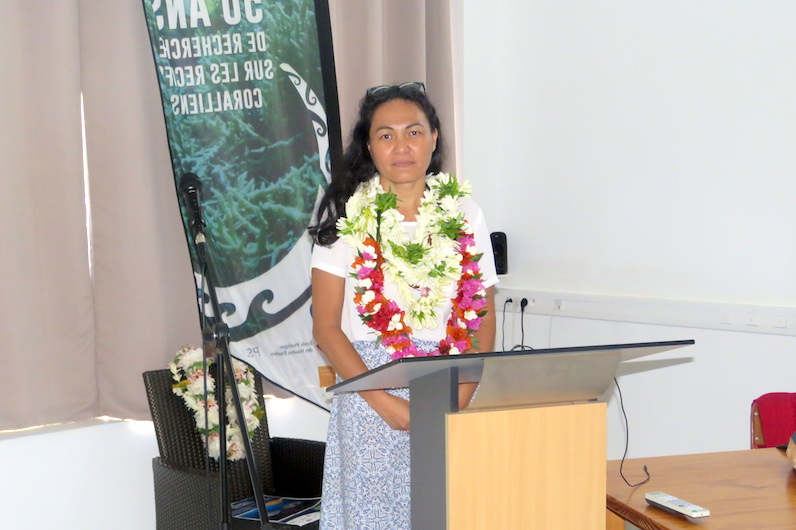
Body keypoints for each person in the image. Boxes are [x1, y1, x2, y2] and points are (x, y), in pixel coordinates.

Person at [309, 82, 498, 529]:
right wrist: (386, 403)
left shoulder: (465, 212)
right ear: (369, 147)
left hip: (451, 384)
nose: (401, 146)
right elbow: (326, 329)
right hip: (369, 389)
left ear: (434, 138)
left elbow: (483, 314)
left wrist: (461, 397)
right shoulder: (347, 212)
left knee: (449, 516)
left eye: (413, 132)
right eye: (386, 135)